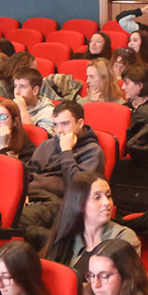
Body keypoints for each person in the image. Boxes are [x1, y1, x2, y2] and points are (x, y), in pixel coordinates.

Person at [20, 101, 107, 245]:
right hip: (31, 198)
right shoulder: (47, 145)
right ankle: (47, 239)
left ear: (80, 123)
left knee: (15, 220)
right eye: (55, 125)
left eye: (65, 124)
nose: (59, 130)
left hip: (59, 203)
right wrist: (21, 193)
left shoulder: (92, 151)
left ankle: (53, 242)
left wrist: (66, 151)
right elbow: (28, 172)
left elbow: (78, 188)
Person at [43, 172, 138, 275]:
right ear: (80, 204)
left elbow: (126, 282)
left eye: (108, 196)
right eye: (97, 197)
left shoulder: (124, 238)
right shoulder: (67, 239)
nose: (107, 202)